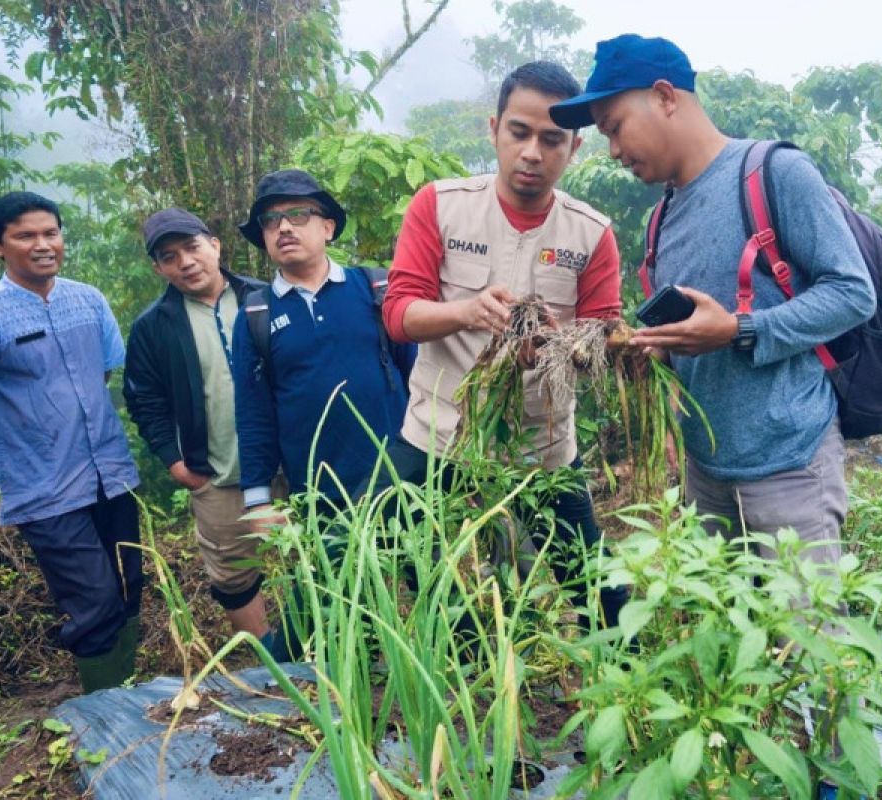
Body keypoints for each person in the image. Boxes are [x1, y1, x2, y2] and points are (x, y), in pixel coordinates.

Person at [549, 35, 875, 570]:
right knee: (728, 642)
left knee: (808, 644)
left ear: (663, 96)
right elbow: (692, 336)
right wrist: (655, 350)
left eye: (614, 128)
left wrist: (738, 331)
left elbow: (852, 292)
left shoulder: (775, 173)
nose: (612, 150)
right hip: (706, 475)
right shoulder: (660, 220)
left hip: (789, 463)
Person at [383, 61, 627, 632]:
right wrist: (467, 311)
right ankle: (474, 655)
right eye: (519, 132)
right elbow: (399, 314)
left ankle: (623, 680)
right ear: (494, 128)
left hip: (542, 449)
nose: (533, 153)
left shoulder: (592, 234)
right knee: (407, 547)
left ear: (576, 147)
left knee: (593, 584)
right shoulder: (440, 206)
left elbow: (601, 337)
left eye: (552, 139)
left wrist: (558, 348)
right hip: (439, 434)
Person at [232, 170, 417, 658]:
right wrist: (257, 500)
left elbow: (415, 379)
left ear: (329, 227)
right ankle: (356, 690)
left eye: (298, 214)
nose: (284, 228)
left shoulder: (375, 288)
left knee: (431, 581)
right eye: (271, 220)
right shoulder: (256, 315)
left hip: (400, 474)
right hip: (320, 488)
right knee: (338, 602)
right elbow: (252, 413)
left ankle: (466, 683)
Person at [0, 191, 143, 693]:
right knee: (94, 601)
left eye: (50, 233)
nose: (42, 244)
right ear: (0, 246)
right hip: (45, 488)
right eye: (26, 235)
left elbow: (102, 375)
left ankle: (129, 691)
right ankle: (108, 713)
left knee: (129, 586)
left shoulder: (89, 299)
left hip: (111, 473)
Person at [124, 208, 283, 640]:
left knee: (308, 555)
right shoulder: (153, 328)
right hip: (217, 472)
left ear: (214, 244)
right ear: (158, 268)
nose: (186, 262)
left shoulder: (266, 297)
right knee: (233, 575)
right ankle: (268, 664)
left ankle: (318, 651)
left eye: (192, 247)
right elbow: (144, 401)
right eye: (170, 256)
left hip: (287, 464)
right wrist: (176, 464)